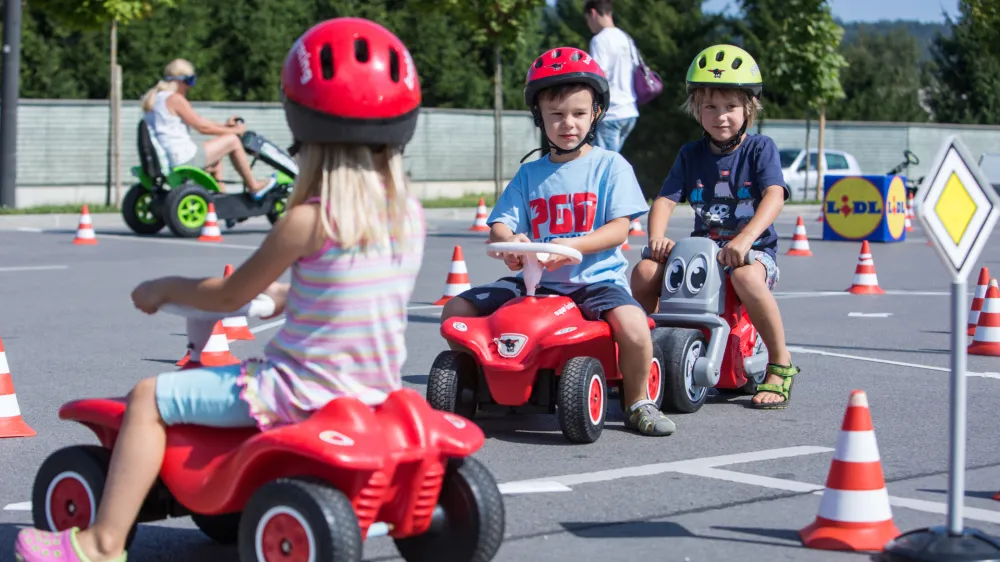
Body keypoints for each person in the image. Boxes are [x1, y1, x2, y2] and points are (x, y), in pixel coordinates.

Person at [15, 18, 426, 561]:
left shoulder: (307, 221)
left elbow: (228, 298)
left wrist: (165, 287)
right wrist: (283, 297)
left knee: (147, 398)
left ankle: (100, 541)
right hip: (372, 390)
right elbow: (348, 294)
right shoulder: (407, 216)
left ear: (301, 122)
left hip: (294, 392)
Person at [440, 46, 675, 437]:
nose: (568, 124)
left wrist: (572, 247)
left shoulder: (610, 166)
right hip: (535, 284)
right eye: (556, 115)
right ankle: (477, 387)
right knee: (456, 311)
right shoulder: (530, 174)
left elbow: (619, 229)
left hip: (595, 283)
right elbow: (500, 224)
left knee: (634, 326)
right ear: (540, 117)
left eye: (579, 114)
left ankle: (637, 402)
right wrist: (510, 243)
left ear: (596, 113)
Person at [629, 44, 800, 410]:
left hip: (751, 254)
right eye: (710, 107)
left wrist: (745, 239)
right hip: (703, 255)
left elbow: (774, 195)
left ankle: (780, 363)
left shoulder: (760, 150)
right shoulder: (691, 154)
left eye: (730, 107)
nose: (720, 116)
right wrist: (656, 238)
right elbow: (664, 200)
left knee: (747, 278)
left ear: (749, 109)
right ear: (696, 109)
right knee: (644, 272)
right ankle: (639, 356)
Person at [140, 58, 275, 199]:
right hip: (182, 158)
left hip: (169, 158)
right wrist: (235, 131)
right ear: (182, 80)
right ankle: (253, 186)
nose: (190, 87)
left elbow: (201, 121)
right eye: (190, 81)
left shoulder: (155, 99)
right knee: (232, 141)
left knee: (216, 161)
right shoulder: (175, 99)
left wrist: (225, 127)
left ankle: (223, 200)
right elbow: (202, 127)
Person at [584, 0, 639, 154]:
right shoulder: (626, 38)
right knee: (611, 160)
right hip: (629, 111)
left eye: (587, 19)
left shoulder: (600, 39)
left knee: (601, 165)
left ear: (593, 13)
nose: (589, 25)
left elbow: (598, 76)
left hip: (611, 113)